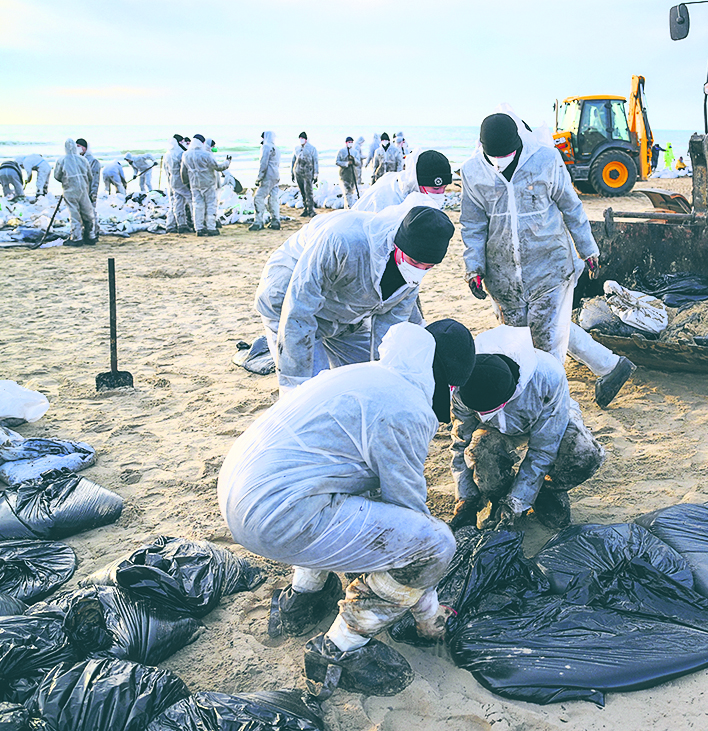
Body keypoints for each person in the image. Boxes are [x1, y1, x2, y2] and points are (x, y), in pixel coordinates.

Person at [218, 319, 476, 697]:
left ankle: (301, 599)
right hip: (276, 515)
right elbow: (408, 516)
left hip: (239, 491)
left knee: (338, 491)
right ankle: (339, 648)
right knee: (436, 543)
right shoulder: (406, 408)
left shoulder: (363, 374)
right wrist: (427, 613)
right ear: (445, 379)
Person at [461, 112, 636, 408]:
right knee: (519, 344)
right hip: (504, 278)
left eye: (506, 155)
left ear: (518, 143)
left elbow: (571, 207)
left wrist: (588, 249)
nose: (500, 161)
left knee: (547, 344)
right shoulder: (473, 172)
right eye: (494, 156)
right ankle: (609, 365)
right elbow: (473, 224)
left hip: (550, 268)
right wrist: (474, 268)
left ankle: (555, 412)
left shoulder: (545, 160)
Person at [256, 198, 454, 393]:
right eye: (414, 261)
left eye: (428, 267)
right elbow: (298, 308)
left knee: (363, 383)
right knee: (313, 390)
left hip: (345, 317)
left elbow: (390, 331)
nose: (419, 270)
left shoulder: (411, 278)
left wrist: (384, 376)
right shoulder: (344, 239)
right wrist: (296, 384)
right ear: (397, 245)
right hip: (288, 299)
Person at [449, 325, 606, 532]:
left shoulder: (547, 376)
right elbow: (461, 443)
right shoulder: (462, 384)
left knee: (583, 453)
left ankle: (545, 491)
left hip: (547, 417)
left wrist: (517, 501)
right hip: (494, 429)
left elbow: (544, 449)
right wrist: (466, 499)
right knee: (480, 452)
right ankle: (499, 495)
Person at [354, 150, 452, 213]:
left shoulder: (416, 193)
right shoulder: (389, 199)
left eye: (445, 187)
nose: (440, 193)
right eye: (436, 188)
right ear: (418, 183)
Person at [182, 134, 231, 236]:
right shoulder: (206, 154)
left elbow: (183, 172)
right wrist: (227, 162)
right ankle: (211, 228)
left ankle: (199, 228)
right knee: (211, 205)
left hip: (194, 184)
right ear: (202, 142)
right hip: (208, 183)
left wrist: (186, 182)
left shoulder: (186, 155)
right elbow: (217, 167)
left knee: (197, 206)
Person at [52, 138, 97, 246]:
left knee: (74, 214)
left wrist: (67, 180)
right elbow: (90, 176)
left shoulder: (61, 160)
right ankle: (90, 236)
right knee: (88, 212)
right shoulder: (83, 160)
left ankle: (77, 238)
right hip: (83, 189)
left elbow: (57, 176)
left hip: (70, 190)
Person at [251, 131, 281, 231]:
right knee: (273, 198)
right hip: (276, 175)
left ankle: (258, 221)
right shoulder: (276, 148)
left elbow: (263, 163)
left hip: (268, 175)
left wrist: (259, 178)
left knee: (258, 197)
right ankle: (275, 220)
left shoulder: (266, 147)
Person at [164, 134, 193, 233]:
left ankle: (174, 225)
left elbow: (166, 170)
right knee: (191, 200)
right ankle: (195, 223)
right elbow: (185, 169)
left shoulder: (167, 154)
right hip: (181, 180)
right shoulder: (181, 153)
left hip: (172, 181)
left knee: (177, 202)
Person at [292, 132, 318, 217]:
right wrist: (292, 173)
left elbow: (315, 161)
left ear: (306, 139)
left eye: (303, 138)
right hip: (298, 172)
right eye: (300, 138)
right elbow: (293, 161)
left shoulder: (311, 148)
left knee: (309, 192)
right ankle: (305, 209)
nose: (301, 140)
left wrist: (316, 174)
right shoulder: (297, 148)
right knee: (302, 192)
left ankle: (311, 210)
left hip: (308, 172)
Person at [335, 137, 362, 207]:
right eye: (349, 142)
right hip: (344, 174)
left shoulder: (355, 152)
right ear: (346, 143)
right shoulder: (341, 151)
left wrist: (354, 160)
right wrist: (346, 163)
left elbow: (359, 163)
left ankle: (347, 206)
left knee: (351, 191)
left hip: (353, 174)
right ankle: (349, 206)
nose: (350, 143)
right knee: (346, 191)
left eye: (351, 142)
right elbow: (337, 162)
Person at [76, 139, 101, 208]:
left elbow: (95, 179)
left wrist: (93, 193)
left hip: (88, 191)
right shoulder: (78, 160)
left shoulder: (93, 161)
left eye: (79, 146)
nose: (77, 148)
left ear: (84, 147)